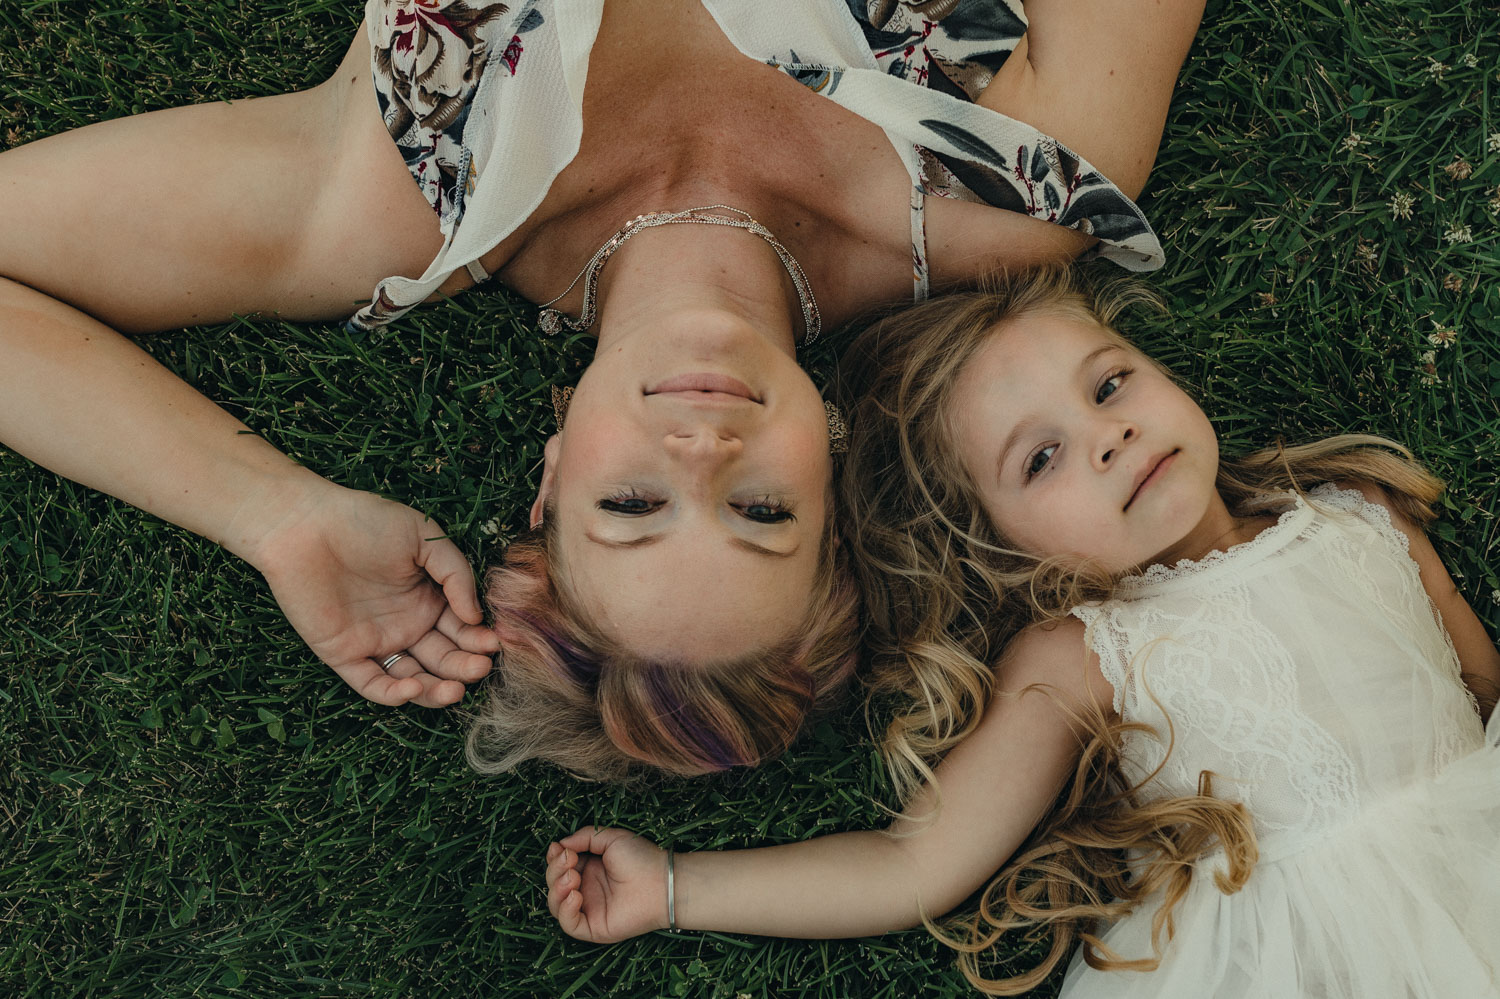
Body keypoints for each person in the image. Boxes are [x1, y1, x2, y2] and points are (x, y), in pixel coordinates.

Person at [0, 0, 1202, 777]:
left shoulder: (399, 193)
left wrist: (274, 514)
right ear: (833, 473)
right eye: (761, 515)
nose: (698, 455)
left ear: (553, 472)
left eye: (630, 508)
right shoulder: (1016, 188)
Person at [541, 268, 1500, 996]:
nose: (1108, 435)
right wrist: (673, 886)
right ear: (998, 545)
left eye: (1111, 384)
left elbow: (1483, 696)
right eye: (1042, 458)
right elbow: (911, 864)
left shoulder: (1357, 510)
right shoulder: (1082, 657)